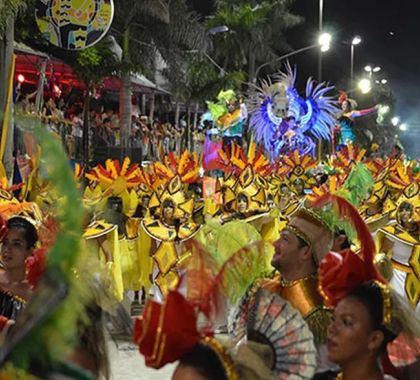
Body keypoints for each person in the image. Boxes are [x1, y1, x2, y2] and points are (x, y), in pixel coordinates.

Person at [0, 217, 38, 319]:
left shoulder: (35, 297)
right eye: (5, 242)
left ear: (30, 251)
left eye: (16, 244)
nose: (7, 249)